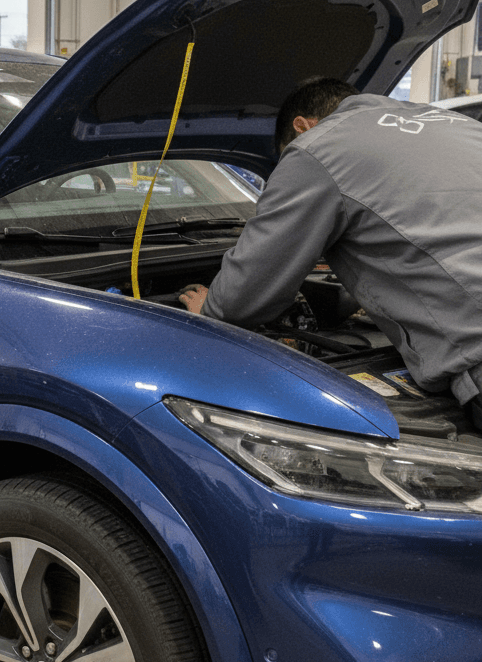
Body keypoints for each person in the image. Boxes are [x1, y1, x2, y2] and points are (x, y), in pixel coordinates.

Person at [178, 77, 482, 428]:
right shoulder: (458, 126)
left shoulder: (316, 146)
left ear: (301, 127)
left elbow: (244, 298)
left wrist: (212, 310)